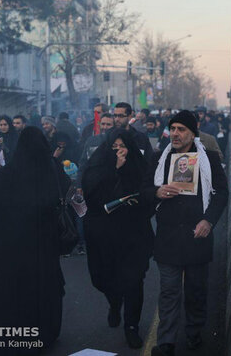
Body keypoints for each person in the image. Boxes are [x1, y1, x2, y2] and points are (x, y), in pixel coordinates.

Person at [0, 127, 70, 353]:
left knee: (15, 289)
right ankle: (44, 331)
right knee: (43, 287)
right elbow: (65, 189)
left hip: (13, 243)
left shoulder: (11, 172)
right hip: (44, 241)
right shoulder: (52, 168)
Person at [144, 110, 228, 356]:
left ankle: (193, 333)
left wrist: (208, 221)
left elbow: (221, 193)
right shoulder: (160, 158)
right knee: (169, 291)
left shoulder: (209, 159)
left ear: (193, 133)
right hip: (168, 238)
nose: (176, 134)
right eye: (173, 129)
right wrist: (157, 193)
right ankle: (166, 341)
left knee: (195, 291)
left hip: (197, 236)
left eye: (182, 129)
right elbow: (144, 189)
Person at [82, 129, 154, 349]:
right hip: (105, 236)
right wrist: (113, 170)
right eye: (114, 147)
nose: (119, 151)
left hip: (133, 233)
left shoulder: (139, 166)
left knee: (134, 280)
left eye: (122, 147)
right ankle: (114, 302)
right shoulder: (97, 167)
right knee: (103, 278)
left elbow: (149, 193)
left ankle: (131, 326)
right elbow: (91, 197)